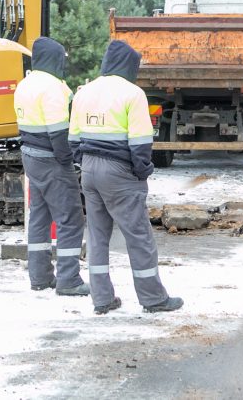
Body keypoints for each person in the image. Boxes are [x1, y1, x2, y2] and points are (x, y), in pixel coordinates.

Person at [69, 40, 183, 315]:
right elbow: (141, 143)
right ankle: (153, 298)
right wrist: (141, 172)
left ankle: (102, 299)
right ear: (128, 66)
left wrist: (84, 163)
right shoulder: (133, 94)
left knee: (96, 236)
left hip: (90, 172)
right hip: (119, 171)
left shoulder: (85, 91)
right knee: (138, 235)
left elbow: (73, 139)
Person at [14, 37, 89, 296]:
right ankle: (69, 280)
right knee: (70, 219)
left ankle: (40, 277)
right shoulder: (52, 87)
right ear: (55, 59)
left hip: (30, 157)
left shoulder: (24, 84)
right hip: (51, 160)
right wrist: (69, 161)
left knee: (40, 217)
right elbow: (58, 134)